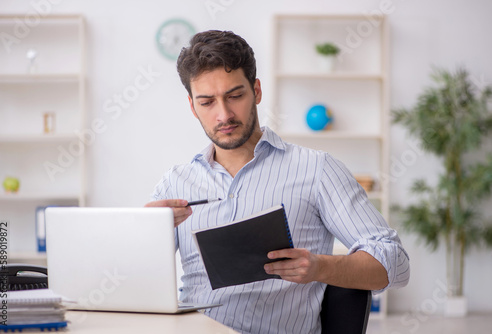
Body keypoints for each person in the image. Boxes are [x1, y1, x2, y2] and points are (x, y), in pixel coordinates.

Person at [146, 30, 410, 334]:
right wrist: (148, 235)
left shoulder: (316, 170)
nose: (224, 115)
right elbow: (131, 282)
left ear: (256, 91)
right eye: (207, 102)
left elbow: (397, 264)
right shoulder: (175, 183)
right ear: (193, 107)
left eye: (235, 96)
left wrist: (320, 268)